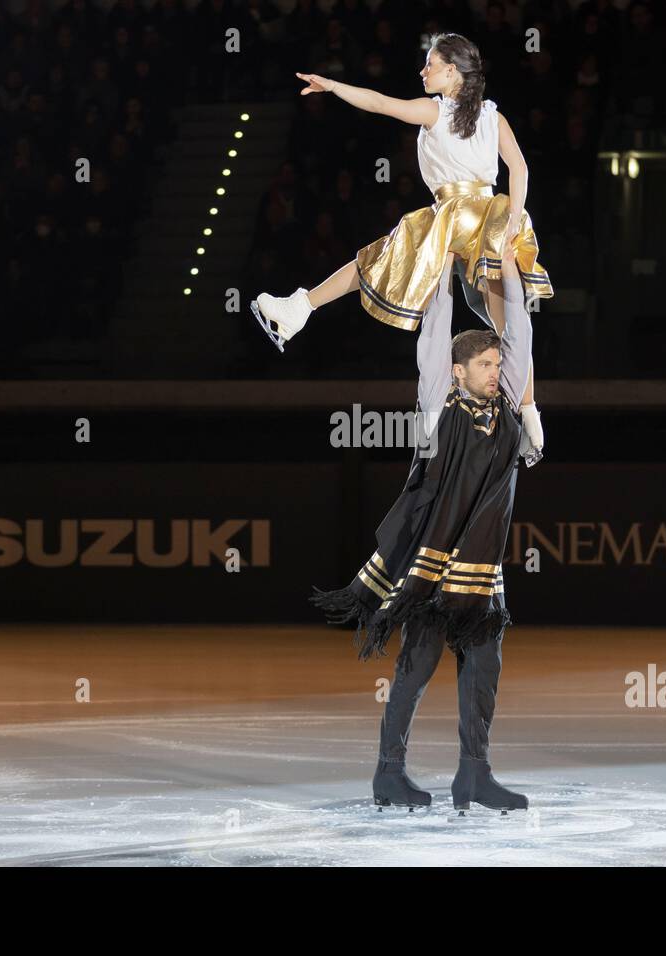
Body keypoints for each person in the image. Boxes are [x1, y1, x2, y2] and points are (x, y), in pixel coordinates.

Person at [250, 32, 549, 459]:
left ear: (452, 70)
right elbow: (518, 169)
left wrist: (333, 86)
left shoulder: (438, 110)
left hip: (453, 220)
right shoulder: (491, 117)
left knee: (387, 262)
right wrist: (514, 221)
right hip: (488, 220)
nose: (422, 71)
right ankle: (530, 420)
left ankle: (301, 308)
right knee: (512, 327)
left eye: (430, 64)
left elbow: (379, 103)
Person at [309, 249, 532, 813]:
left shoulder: (509, 409)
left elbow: (522, 336)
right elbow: (435, 329)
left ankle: (473, 775)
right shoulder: (437, 406)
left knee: (485, 669)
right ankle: (389, 773)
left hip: (480, 573)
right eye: (484, 363)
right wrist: (440, 252)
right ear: (458, 371)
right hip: (434, 570)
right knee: (416, 666)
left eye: (495, 364)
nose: (493, 370)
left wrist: (506, 263)